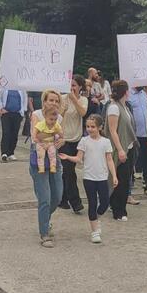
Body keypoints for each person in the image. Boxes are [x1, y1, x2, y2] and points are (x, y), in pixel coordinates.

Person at [59, 115, 116, 244]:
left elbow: (109, 159)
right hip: (89, 177)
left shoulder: (105, 142)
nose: (90, 129)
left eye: (93, 127)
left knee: (105, 203)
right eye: (88, 126)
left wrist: (114, 175)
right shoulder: (84, 141)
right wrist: (68, 157)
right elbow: (79, 159)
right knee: (92, 203)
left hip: (102, 177)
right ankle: (94, 231)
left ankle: (96, 218)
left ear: (100, 127)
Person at [29, 89, 64, 247]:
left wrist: (60, 141)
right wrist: (52, 137)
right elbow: (36, 136)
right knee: (45, 198)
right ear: (44, 101)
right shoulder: (36, 114)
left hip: (54, 158)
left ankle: (45, 218)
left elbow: (61, 136)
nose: (54, 103)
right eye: (51, 100)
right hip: (39, 158)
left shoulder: (59, 118)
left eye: (57, 101)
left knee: (57, 196)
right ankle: (44, 234)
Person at [106, 80, 137, 221]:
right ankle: (118, 210)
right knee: (121, 180)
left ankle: (120, 206)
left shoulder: (125, 107)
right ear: (125, 92)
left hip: (129, 147)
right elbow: (112, 131)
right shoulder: (114, 107)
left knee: (126, 179)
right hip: (119, 148)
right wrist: (120, 149)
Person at [58, 75, 88, 213]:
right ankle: (76, 203)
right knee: (70, 171)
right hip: (63, 139)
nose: (72, 87)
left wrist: (74, 99)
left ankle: (62, 198)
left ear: (80, 87)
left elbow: (83, 113)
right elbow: (57, 118)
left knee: (67, 172)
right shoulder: (61, 98)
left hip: (76, 139)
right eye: (70, 85)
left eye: (74, 85)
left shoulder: (83, 100)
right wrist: (63, 109)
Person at [0, 85, 27, 162]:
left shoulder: (21, 88)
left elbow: (25, 99)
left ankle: (11, 153)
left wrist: (23, 111)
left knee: (14, 133)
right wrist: (1, 108)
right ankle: (4, 153)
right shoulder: (4, 87)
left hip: (17, 113)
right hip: (6, 113)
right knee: (6, 132)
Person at [33, 105, 64, 174]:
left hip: (51, 142)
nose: (53, 121)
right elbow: (35, 130)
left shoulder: (56, 125)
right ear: (45, 117)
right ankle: (41, 167)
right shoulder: (42, 124)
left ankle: (53, 166)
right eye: (51, 119)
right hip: (41, 142)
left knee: (52, 154)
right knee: (40, 155)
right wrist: (35, 138)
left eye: (55, 119)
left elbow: (61, 133)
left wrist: (60, 134)